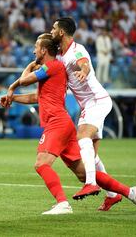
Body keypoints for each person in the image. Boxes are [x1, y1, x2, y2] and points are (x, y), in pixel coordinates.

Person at [1, 33, 136, 215]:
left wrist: (15, 84)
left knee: (41, 164)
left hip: (57, 123)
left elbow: (24, 80)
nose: (33, 51)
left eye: (36, 47)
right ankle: (130, 192)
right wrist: (13, 98)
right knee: (83, 173)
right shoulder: (54, 69)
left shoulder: (52, 66)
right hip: (63, 124)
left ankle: (62, 203)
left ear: (44, 50)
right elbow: (36, 97)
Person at [51, 17, 122, 210]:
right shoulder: (60, 54)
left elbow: (85, 63)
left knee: (82, 135)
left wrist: (83, 71)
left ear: (62, 32)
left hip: (97, 101)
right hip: (89, 105)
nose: (52, 30)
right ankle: (113, 195)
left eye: (54, 28)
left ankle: (91, 183)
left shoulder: (76, 50)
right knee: (92, 155)